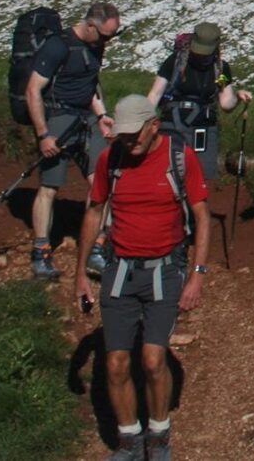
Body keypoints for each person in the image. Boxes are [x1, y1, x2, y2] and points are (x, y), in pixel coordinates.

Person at [75, 95, 210, 461]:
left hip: (165, 270)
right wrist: (81, 275)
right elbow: (94, 211)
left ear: (153, 127)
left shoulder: (178, 158)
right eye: (123, 136)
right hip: (119, 270)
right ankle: (130, 441)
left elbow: (201, 216)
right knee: (116, 363)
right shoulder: (111, 160)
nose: (128, 142)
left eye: (134, 135)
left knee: (152, 359)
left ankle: (159, 435)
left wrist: (196, 275)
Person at [25, 2, 121, 281]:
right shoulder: (58, 46)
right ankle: (41, 251)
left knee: (102, 183)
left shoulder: (95, 46)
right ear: (90, 25)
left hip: (86, 121)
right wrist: (44, 134)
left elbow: (91, 84)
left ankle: (95, 248)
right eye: (104, 35)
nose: (107, 42)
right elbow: (33, 90)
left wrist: (102, 115)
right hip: (58, 118)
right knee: (49, 186)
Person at [146, 21, 252, 183]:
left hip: (204, 129)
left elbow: (225, 103)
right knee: (166, 174)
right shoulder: (174, 62)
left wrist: (238, 97)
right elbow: (155, 94)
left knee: (201, 177)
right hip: (172, 126)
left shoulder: (221, 69)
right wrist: (142, 122)